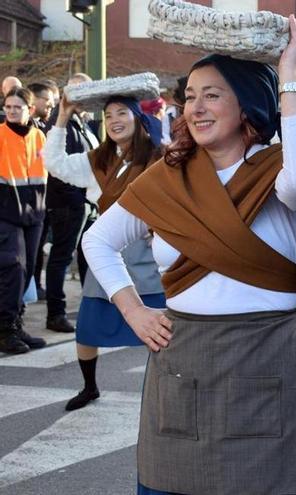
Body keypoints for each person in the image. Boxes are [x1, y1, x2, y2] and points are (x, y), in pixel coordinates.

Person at [81, 17, 296, 494]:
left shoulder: (281, 169)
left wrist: (292, 74)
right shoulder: (167, 178)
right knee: (176, 481)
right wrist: (133, 311)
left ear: (247, 103)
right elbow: (98, 241)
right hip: (184, 354)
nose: (195, 107)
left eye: (212, 94)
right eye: (189, 96)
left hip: (269, 353)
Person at [43, 89, 165, 411]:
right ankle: (89, 386)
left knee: (163, 328)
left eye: (122, 113)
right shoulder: (99, 159)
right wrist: (63, 117)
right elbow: (54, 163)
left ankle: (167, 389)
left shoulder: (159, 156)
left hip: (149, 252)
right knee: (87, 328)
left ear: (138, 118)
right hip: (106, 252)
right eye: (108, 116)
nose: (113, 121)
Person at [43, 73, 100, 334]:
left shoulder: (83, 122)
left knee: (89, 257)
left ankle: (92, 308)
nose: (82, 96)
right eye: (77, 91)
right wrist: (78, 199)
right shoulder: (61, 120)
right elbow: (56, 162)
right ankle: (55, 314)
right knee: (61, 259)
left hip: (86, 202)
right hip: (69, 203)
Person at [0, 87, 48, 354]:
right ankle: (5, 329)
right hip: (6, 214)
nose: (11, 112)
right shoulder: (0, 136)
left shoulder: (39, 136)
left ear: (29, 110)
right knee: (14, 269)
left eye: (16, 108)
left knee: (27, 271)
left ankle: (15, 324)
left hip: (35, 214)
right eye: (8, 107)